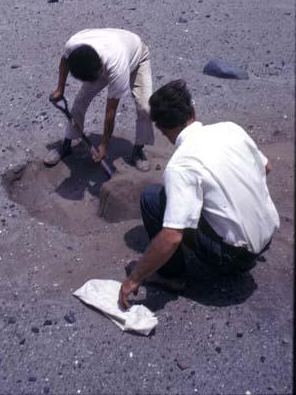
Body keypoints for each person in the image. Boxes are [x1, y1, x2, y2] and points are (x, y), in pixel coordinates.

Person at [119, 79, 280, 309]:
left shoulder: (180, 165)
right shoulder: (230, 128)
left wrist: (134, 278)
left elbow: (172, 236)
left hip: (233, 260)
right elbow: (266, 168)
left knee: (153, 198)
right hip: (265, 240)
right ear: (192, 111)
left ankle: (171, 276)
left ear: (162, 130)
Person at [44, 28, 155, 172]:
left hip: (137, 56)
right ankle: (67, 144)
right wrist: (60, 89)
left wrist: (104, 145)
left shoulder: (117, 67)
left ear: (100, 67)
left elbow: (110, 111)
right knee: (79, 103)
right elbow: (65, 61)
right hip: (110, 49)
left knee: (145, 108)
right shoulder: (73, 46)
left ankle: (138, 150)